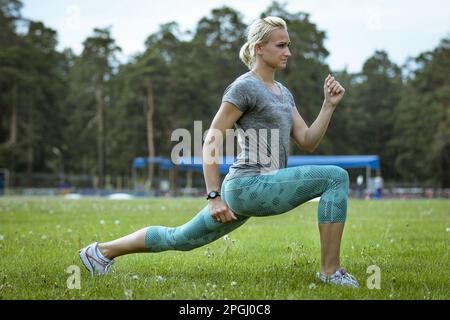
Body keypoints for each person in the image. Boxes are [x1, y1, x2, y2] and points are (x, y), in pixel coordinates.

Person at [79, 16, 359, 288]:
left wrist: (328, 106)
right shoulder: (244, 87)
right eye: (281, 45)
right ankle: (330, 272)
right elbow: (211, 140)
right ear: (259, 48)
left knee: (180, 238)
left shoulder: (283, 93)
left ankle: (100, 252)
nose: (288, 52)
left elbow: (308, 141)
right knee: (335, 177)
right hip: (247, 186)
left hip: (258, 186)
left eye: (288, 45)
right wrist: (213, 196)